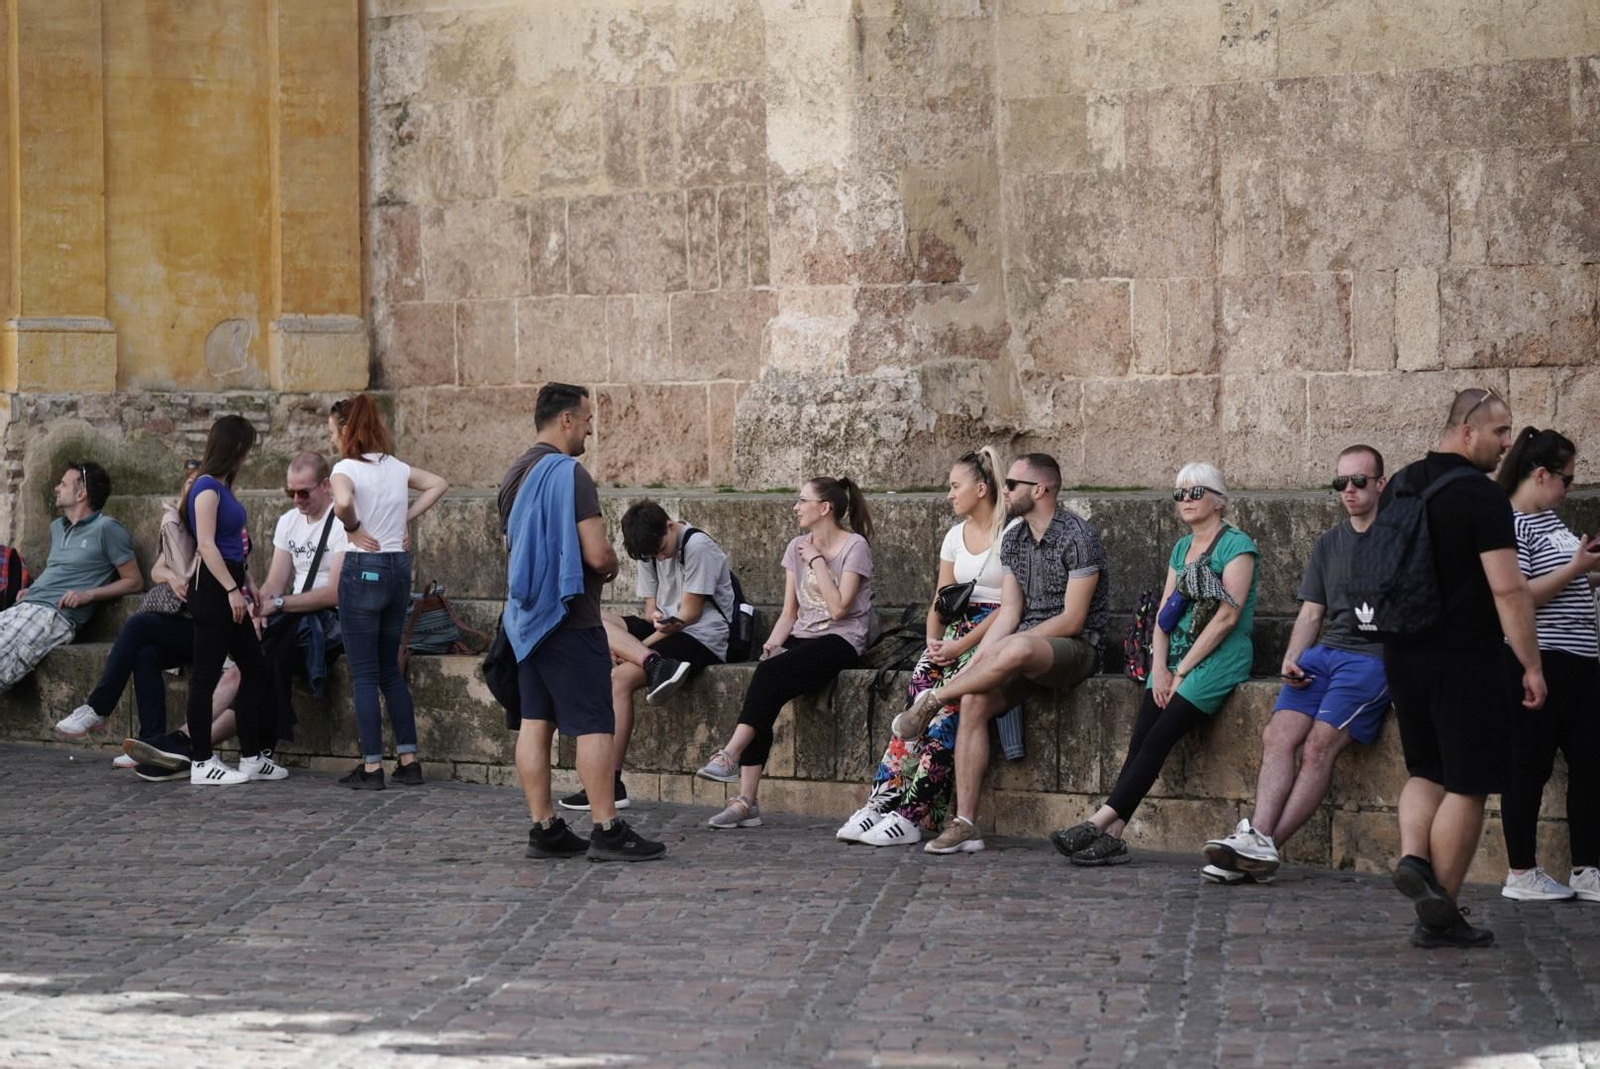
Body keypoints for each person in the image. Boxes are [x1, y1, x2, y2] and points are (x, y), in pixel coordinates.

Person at [1383, 388, 1544, 950]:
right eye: (1501, 432)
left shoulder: (1400, 481)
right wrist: (1531, 663)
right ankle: (1441, 915)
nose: (1507, 445)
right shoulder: (1481, 495)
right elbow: (1508, 588)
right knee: (1469, 783)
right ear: (1468, 430)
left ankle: (1413, 858)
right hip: (1464, 655)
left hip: (1401, 649)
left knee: (1425, 769)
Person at [889, 453, 1108, 856]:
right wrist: (978, 662)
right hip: (1021, 648)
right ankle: (966, 823)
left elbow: (1073, 619)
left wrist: (1006, 648)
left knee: (1019, 644)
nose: (1004, 491)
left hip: (1075, 649)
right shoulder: (1014, 537)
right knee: (974, 699)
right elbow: (1009, 612)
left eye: (1012, 485)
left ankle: (934, 700)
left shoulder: (1078, 535)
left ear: (1040, 490)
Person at [1050, 462, 1257, 867]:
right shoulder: (1182, 548)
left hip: (1218, 657)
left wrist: (1181, 672)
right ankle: (1113, 836)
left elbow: (1227, 619)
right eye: (1179, 494)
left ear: (1218, 499)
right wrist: (1159, 666)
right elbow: (1164, 612)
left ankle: (1097, 821)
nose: (1185, 501)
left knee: (1161, 736)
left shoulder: (1238, 545)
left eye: (1195, 492)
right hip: (1175, 655)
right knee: (1141, 740)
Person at [1201, 446, 1390, 884]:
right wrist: (1291, 657)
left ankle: (1261, 845)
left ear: (1381, 484)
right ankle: (1255, 845)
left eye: (1359, 481)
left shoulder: (1399, 540)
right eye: (1340, 483)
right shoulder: (1328, 543)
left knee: (1320, 745)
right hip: (1323, 655)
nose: (1349, 491)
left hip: (1371, 659)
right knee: (1277, 735)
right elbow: (1311, 612)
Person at [501, 382, 664, 862]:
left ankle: (544, 827)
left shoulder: (514, 474)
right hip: (570, 618)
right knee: (594, 722)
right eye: (587, 419)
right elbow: (596, 553)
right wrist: (613, 567)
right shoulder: (569, 474)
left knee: (536, 721)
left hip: (525, 620)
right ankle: (607, 828)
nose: (591, 428)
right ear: (566, 419)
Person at [836, 448, 1011, 848]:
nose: (949, 495)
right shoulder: (954, 536)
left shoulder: (1010, 534)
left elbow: (1007, 608)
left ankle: (914, 814)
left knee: (943, 717)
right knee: (910, 718)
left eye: (955, 486)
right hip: (951, 633)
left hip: (989, 634)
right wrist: (934, 640)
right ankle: (882, 802)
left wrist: (959, 645)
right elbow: (941, 597)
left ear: (981, 489)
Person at [694, 475, 875, 831]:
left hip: (842, 640)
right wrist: (774, 644)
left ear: (825, 508)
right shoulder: (796, 546)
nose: (795, 507)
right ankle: (745, 802)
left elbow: (839, 609)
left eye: (803, 500)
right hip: (802, 638)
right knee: (765, 678)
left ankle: (729, 757)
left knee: (769, 678)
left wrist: (819, 562)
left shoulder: (855, 547)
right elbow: (790, 612)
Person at [557, 500, 732, 813]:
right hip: (665, 629)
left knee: (619, 680)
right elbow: (651, 609)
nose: (660, 557)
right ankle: (647, 660)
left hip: (700, 635)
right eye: (652, 555)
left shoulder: (698, 547)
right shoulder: (649, 547)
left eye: (661, 549)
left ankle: (611, 783)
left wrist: (635, 653)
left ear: (669, 525)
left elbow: (689, 615)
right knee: (589, 616)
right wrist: (644, 629)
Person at [1493, 428, 1600, 903]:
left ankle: (1587, 868)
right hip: (1539, 658)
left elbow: (1563, 580)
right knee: (1527, 767)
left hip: (1580, 658)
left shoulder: (1551, 522)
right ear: (1540, 474)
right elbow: (1518, 597)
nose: (1569, 489)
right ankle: (1522, 871)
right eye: (1567, 479)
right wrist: (1576, 570)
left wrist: (1589, 573)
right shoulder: (1511, 524)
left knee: (1591, 764)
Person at [329, 395, 448, 790]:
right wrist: (406, 517)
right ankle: (409, 760)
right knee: (388, 671)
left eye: (332, 432)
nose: (331, 439)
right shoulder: (396, 467)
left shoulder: (344, 469)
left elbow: (343, 501)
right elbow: (438, 483)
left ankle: (371, 767)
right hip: (398, 568)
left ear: (345, 432)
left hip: (364, 568)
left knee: (363, 674)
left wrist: (351, 527)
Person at [55, 462, 202, 752]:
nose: (190, 492)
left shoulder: (211, 531)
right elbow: (159, 571)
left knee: (138, 625)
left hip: (207, 625)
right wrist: (172, 576)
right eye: (187, 485)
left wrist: (177, 558)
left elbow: (193, 572)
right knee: (146, 653)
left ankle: (98, 707)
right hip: (183, 620)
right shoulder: (181, 528)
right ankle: (152, 743)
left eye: (198, 487)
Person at [183, 416, 284, 786]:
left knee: (255, 671)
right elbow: (206, 545)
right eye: (247, 446)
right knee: (205, 677)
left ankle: (252, 757)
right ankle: (200, 761)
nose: (249, 454)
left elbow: (235, 545)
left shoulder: (225, 487)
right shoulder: (206, 488)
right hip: (213, 589)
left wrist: (250, 583)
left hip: (230, 581)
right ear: (235, 447)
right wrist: (230, 590)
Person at [4, 462, 141, 705]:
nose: (57, 488)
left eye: (63, 484)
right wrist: (32, 589)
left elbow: (134, 582)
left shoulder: (107, 529)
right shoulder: (58, 528)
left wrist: (88, 594)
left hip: (54, 614)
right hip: (25, 606)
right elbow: (59, 568)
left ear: (81, 494)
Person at [253, 452, 348, 749]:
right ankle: (188, 741)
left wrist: (280, 604)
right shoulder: (288, 522)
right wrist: (258, 610)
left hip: (327, 621)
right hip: (294, 614)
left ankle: (254, 748)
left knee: (268, 661)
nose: (296, 499)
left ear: (326, 485)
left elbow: (334, 593)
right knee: (248, 658)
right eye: (290, 492)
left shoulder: (342, 524)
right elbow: (274, 583)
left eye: (304, 492)